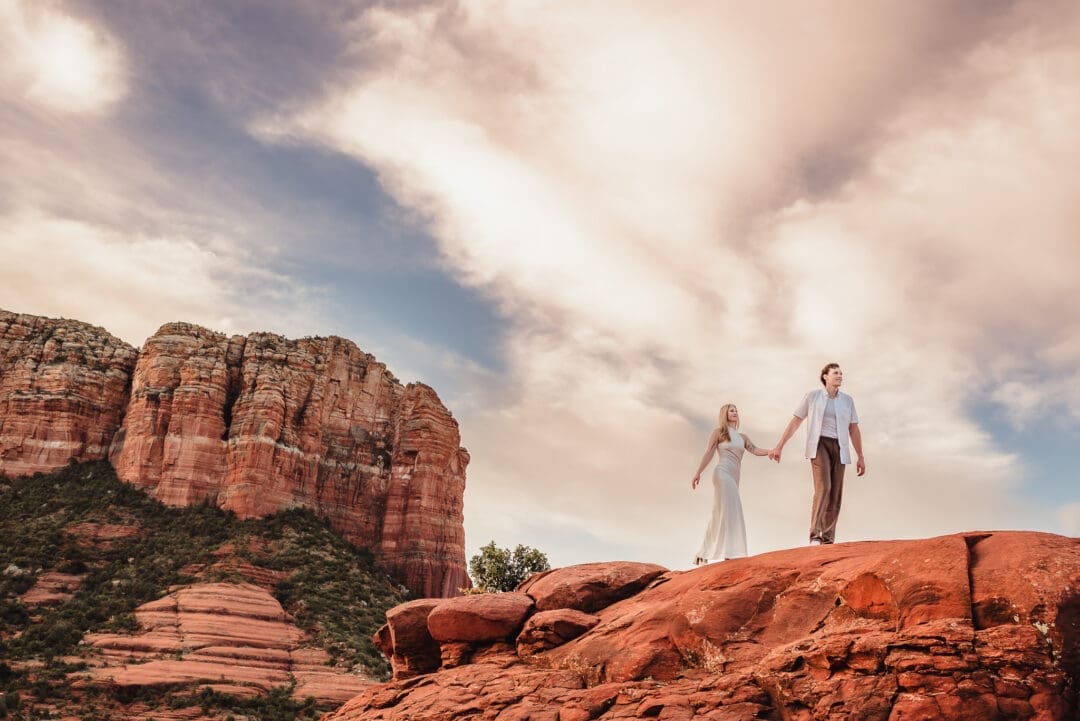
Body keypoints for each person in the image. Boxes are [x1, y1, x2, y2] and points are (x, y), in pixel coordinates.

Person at [768, 363, 865, 545]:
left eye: (841, 373)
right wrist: (779, 446)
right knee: (824, 487)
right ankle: (815, 535)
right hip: (819, 444)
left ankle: (828, 539)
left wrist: (861, 456)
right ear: (825, 377)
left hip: (840, 447)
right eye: (835, 373)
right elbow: (796, 421)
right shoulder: (812, 397)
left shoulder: (847, 400)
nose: (840, 376)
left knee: (835, 493)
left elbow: (853, 429)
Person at [691, 403, 770, 564]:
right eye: (731, 411)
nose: (735, 413)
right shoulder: (719, 433)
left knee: (719, 512)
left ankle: (704, 552)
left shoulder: (743, 437)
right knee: (732, 510)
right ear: (725, 414)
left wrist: (771, 451)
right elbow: (708, 453)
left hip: (734, 477)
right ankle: (731, 552)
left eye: (736, 410)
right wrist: (698, 472)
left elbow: (755, 449)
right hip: (722, 473)